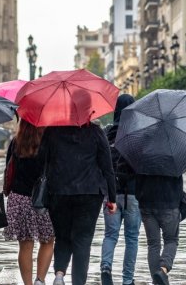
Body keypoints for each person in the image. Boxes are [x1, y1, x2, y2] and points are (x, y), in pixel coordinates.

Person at [38, 110, 117, 285]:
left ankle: (59, 275)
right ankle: (78, 282)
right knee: (82, 239)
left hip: (59, 192)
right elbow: (107, 167)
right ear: (90, 109)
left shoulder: (52, 131)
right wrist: (112, 198)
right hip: (89, 193)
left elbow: (42, 159)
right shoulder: (96, 133)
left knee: (63, 236)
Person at [3, 121, 55, 285]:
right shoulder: (48, 142)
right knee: (47, 241)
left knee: (25, 245)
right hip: (43, 200)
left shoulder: (16, 143)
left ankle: (28, 284)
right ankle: (40, 279)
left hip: (19, 198)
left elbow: (8, 168)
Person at [100, 94, 141, 285]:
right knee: (132, 237)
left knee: (110, 234)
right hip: (133, 192)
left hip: (112, 193)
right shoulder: (138, 133)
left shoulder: (107, 133)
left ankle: (106, 266)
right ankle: (127, 280)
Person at [136, 172, 183, 285]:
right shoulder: (174, 162)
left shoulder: (144, 160)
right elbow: (179, 187)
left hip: (147, 207)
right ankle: (163, 270)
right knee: (171, 240)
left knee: (153, 244)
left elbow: (137, 185)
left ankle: (156, 280)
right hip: (170, 206)